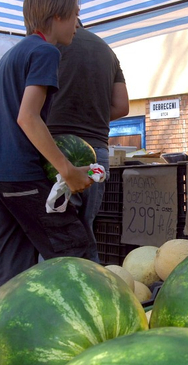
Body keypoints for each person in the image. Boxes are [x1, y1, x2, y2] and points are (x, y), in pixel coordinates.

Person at [0, 0, 94, 288]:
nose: (77, 25)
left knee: (13, 272)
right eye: (75, 15)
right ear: (58, 15)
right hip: (19, 175)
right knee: (75, 255)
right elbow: (27, 117)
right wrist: (66, 170)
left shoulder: (14, 54)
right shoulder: (45, 52)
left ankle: (11, 331)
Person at [46, 22, 129, 264]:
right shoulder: (106, 50)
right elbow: (122, 106)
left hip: (56, 151)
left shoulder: (52, 42)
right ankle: (92, 288)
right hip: (98, 156)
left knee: (56, 230)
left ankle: (55, 292)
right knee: (85, 227)